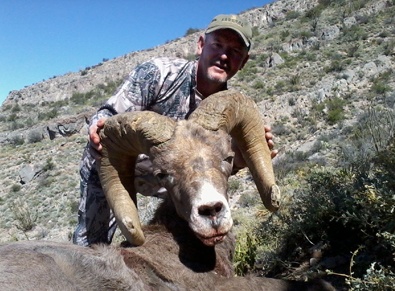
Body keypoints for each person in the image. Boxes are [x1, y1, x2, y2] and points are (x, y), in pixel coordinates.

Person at [73, 14, 276, 247]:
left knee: (204, 231)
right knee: (92, 248)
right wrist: (99, 129)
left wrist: (242, 159)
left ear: (244, 61)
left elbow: (216, 169)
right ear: (201, 45)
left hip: (179, 182)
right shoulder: (158, 74)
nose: (223, 56)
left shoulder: (231, 112)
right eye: (217, 45)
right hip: (123, 167)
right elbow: (109, 114)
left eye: (235, 51)